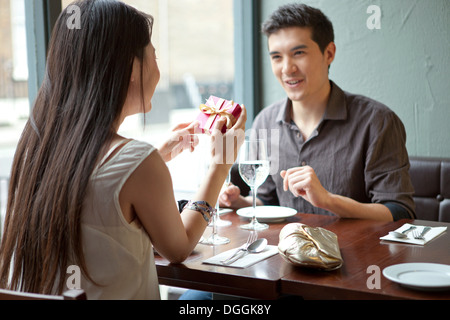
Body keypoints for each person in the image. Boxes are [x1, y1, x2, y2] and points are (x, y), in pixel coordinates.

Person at [0, 0, 246, 299]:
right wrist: (220, 165)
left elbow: (99, 188)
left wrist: (158, 156)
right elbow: (179, 248)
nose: (158, 69)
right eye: (154, 56)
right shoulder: (137, 160)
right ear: (133, 66)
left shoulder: (36, 151)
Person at [220, 3, 415, 221]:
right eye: (276, 57)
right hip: (285, 252)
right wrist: (238, 202)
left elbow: (399, 212)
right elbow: (269, 201)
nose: (287, 68)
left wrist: (327, 200)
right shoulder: (265, 121)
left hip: (354, 253)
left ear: (329, 53)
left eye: (299, 53)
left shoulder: (377, 121)